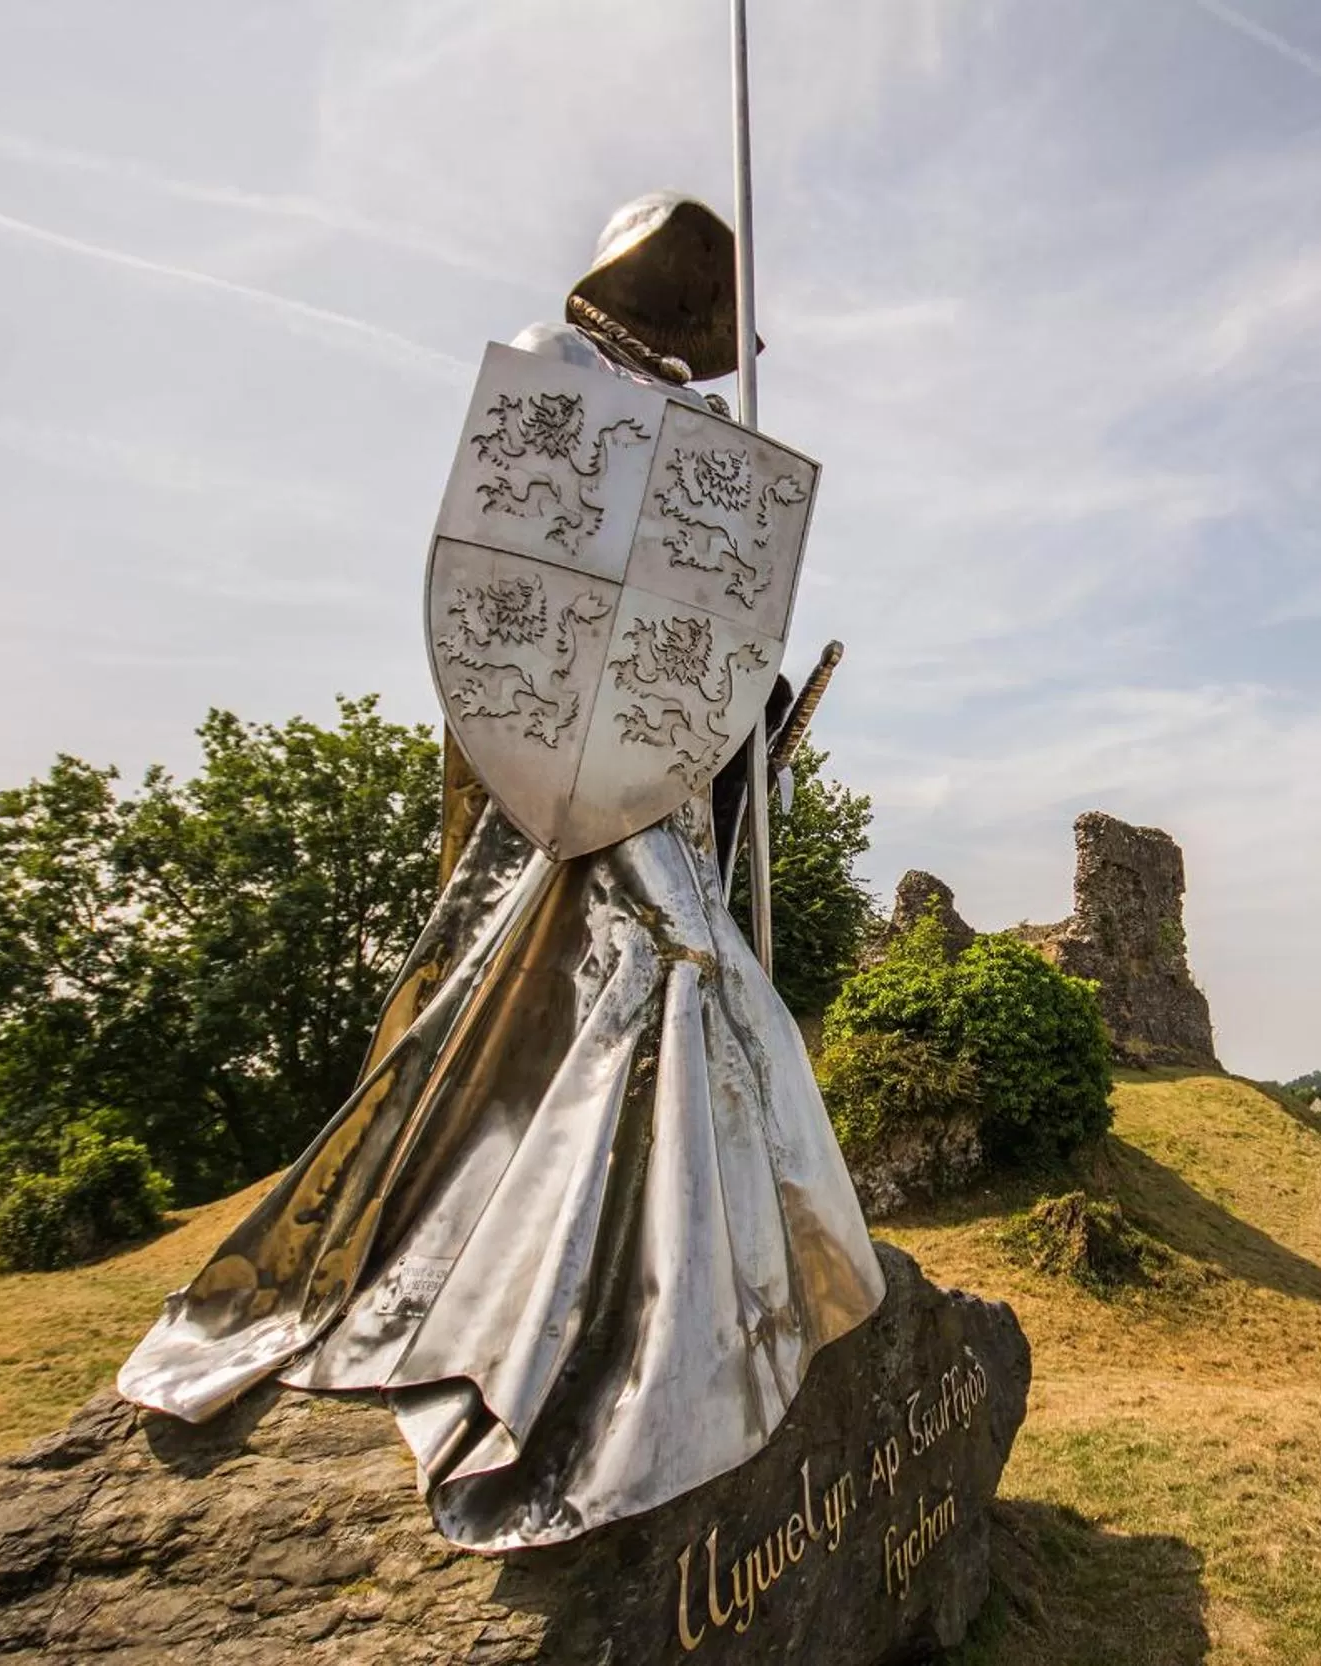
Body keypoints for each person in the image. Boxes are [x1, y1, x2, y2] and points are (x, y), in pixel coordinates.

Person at [116, 195, 885, 1554]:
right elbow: (527, 589)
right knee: (617, 981)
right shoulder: (562, 368)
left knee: (686, 990)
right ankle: (595, 1308)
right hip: (557, 768)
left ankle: (696, 1275)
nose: (713, 341)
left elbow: (691, 602)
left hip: (647, 773)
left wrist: (734, 717)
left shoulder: (666, 410)